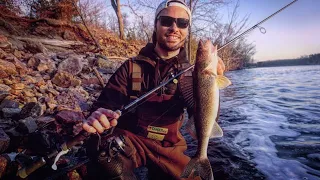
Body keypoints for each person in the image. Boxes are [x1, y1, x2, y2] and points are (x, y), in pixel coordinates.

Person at [82, 0, 225, 179]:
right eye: (166, 21)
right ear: (156, 25)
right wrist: (98, 116)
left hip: (170, 146)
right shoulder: (130, 67)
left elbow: (204, 120)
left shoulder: (191, 74)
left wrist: (211, 85)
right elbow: (104, 105)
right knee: (106, 162)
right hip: (131, 140)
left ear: (187, 30)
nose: (174, 27)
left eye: (182, 23)